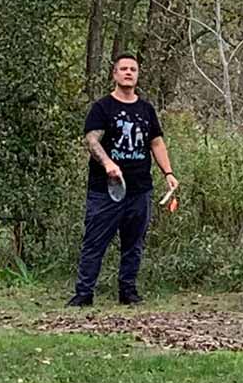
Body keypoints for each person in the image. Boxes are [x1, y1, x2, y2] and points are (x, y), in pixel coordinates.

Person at [67, 54, 179, 307]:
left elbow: (156, 142)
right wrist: (108, 163)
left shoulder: (146, 109)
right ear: (115, 74)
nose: (128, 73)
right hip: (106, 190)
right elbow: (92, 140)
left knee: (134, 243)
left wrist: (168, 173)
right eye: (123, 69)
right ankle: (84, 294)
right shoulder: (103, 107)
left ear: (137, 75)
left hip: (140, 189)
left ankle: (127, 292)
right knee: (95, 242)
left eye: (133, 69)